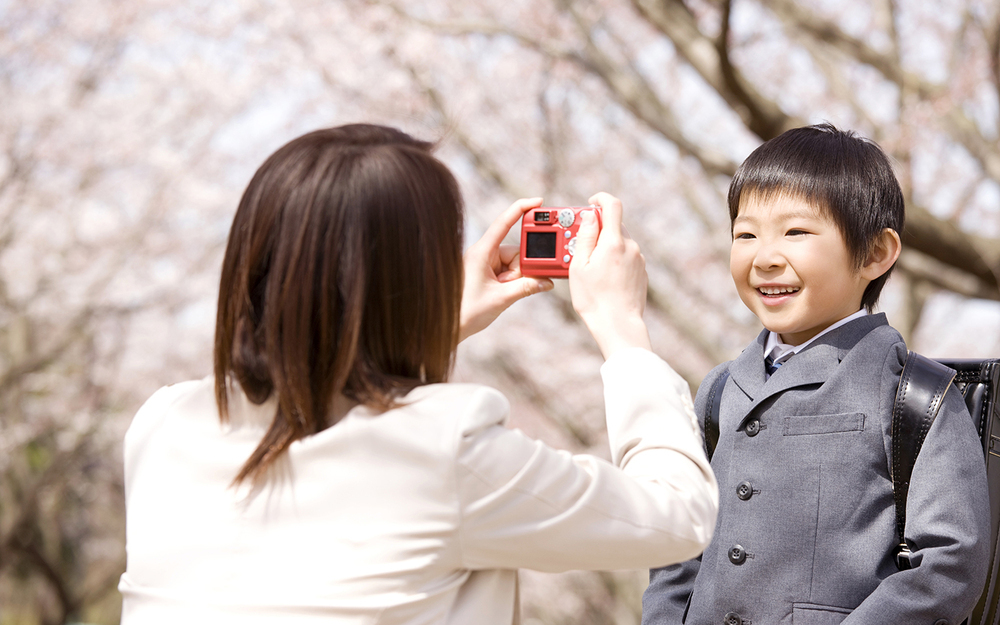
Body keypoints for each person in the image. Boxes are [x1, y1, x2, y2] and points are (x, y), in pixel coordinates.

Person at [117, 123, 718, 624]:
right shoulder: (446, 445)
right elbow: (678, 516)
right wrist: (621, 328)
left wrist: (423, 328)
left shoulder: (163, 425)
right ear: (417, 275)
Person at [641, 123, 991, 625]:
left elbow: (948, 563)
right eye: (746, 234)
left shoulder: (914, 395)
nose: (765, 257)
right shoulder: (719, 389)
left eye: (796, 232)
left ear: (875, 253)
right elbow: (680, 542)